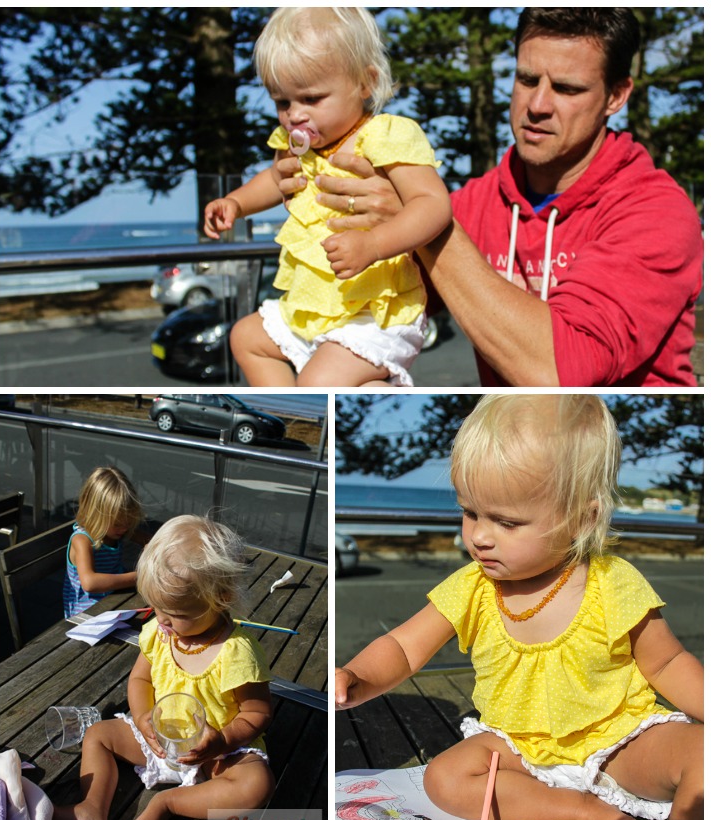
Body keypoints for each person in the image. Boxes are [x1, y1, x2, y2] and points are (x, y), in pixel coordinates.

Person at [336, 395, 703, 820]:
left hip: (618, 741)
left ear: (582, 521)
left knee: (703, 755)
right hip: (517, 752)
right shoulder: (474, 585)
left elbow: (666, 662)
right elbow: (404, 646)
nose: (480, 537)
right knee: (445, 779)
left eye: (506, 522)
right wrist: (358, 678)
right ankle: (582, 814)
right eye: (469, 512)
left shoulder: (612, 581)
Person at [279, 8, 703, 387]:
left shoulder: (656, 213)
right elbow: (365, 306)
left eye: (568, 89)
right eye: (526, 79)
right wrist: (311, 196)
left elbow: (557, 372)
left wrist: (422, 224)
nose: (537, 104)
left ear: (616, 96)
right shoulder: (475, 203)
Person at [204, 7, 452, 387]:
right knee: (246, 338)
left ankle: (315, 410)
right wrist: (236, 203)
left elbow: (432, 205)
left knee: (319, 383)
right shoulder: (296, 146)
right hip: (311, 308)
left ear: (365, 82)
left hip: (373, 313)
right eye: (282, 102)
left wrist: (374, 243)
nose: (294, 116)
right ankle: (289, 414)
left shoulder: (384, 136)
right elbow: (274, 180)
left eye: (311, 98)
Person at [53, 515, 275, 820]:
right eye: (157, 608)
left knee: (256, 784)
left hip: (214, 753)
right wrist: (143, 719)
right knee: (97, 735)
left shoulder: (237, 651)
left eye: (176, 614)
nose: (162, 621)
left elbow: (258, 711)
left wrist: (222, 740)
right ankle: (90, 809)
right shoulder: (160, 631)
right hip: (158, 740)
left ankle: (169, 802)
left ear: (220, 599)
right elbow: (140, 680)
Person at [63, 466, 148, 618]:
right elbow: (90, 583)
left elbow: (149, 540)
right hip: (86, 614)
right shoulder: (82, 540)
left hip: (114, 601)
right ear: (96, 514)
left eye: (128, 522)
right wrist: (139, 576)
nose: (123, 528)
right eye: (117, 523)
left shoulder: (116, 531)